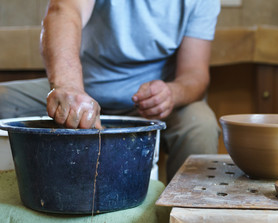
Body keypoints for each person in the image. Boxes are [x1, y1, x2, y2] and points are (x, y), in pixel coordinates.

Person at [0, 0, 220, 182]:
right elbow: (63, 11)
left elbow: (195, 74)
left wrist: (171, 93)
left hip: (149, 105)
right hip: (83, 89)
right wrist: (68, 85)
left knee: (201, 124)